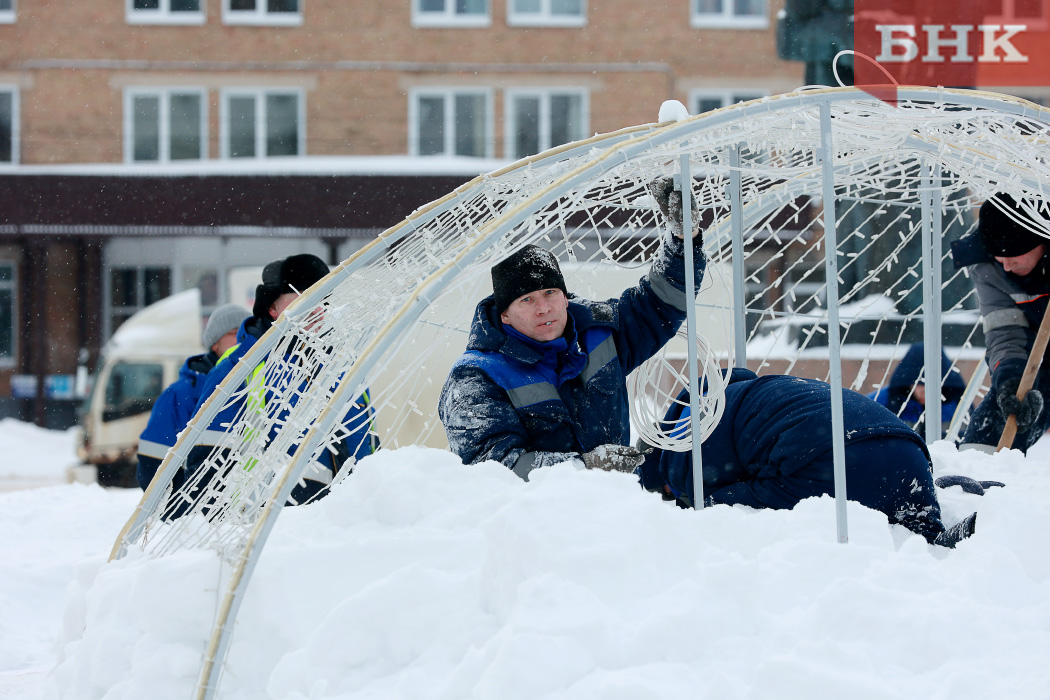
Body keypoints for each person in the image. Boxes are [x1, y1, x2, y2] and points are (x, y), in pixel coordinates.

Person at [438, 177, 706, 480]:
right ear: (505, 316)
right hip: (534, 523)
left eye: (550, 293)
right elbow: (489, 469)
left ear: (565, 298)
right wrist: (585, 467)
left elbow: (663, 302)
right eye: (526, 299)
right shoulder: (476, 377)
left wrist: (685, 239)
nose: (543, 308)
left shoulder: (599, 333)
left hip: (613, 512)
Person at [636, 370, 978, 548]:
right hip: (906, 448)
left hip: (831, 461)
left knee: (736, 502)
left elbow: (712, 503)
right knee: (920, 528)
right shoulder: (728, 395)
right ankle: (949, 525)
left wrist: (692, 502)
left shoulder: (681, 451)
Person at [176, 254, 378, 514]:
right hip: (269, 527)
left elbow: (369, 445)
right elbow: (206, 463)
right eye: (304, 300)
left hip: (347, 523)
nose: (317, 310)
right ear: (272, 309)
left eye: (323, 300)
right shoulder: (238, 368)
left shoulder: (344, 368)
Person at [951, 193, 1050, 453]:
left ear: (1041, 241)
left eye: (1014, 256)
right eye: (999, 257)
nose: (1006, 266)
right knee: (1007, 410)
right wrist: (1010, 379)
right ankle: (977, 475)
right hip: (1034, 356)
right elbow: (1004, 331)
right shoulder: (988, 267)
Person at [136, 303, 250, 490]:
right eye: (234, 332)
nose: (241, 338)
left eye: (246, 332)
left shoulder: (255, 384)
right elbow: (152, 464)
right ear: (215, 343)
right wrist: (183, 506)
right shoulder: (179, 394)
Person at [867, 342, 966, 439]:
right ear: (906, 382)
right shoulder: (879, 402)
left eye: (930, 385)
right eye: (918, 384)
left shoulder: (959, 403)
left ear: (943, 383)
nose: (924, 391)